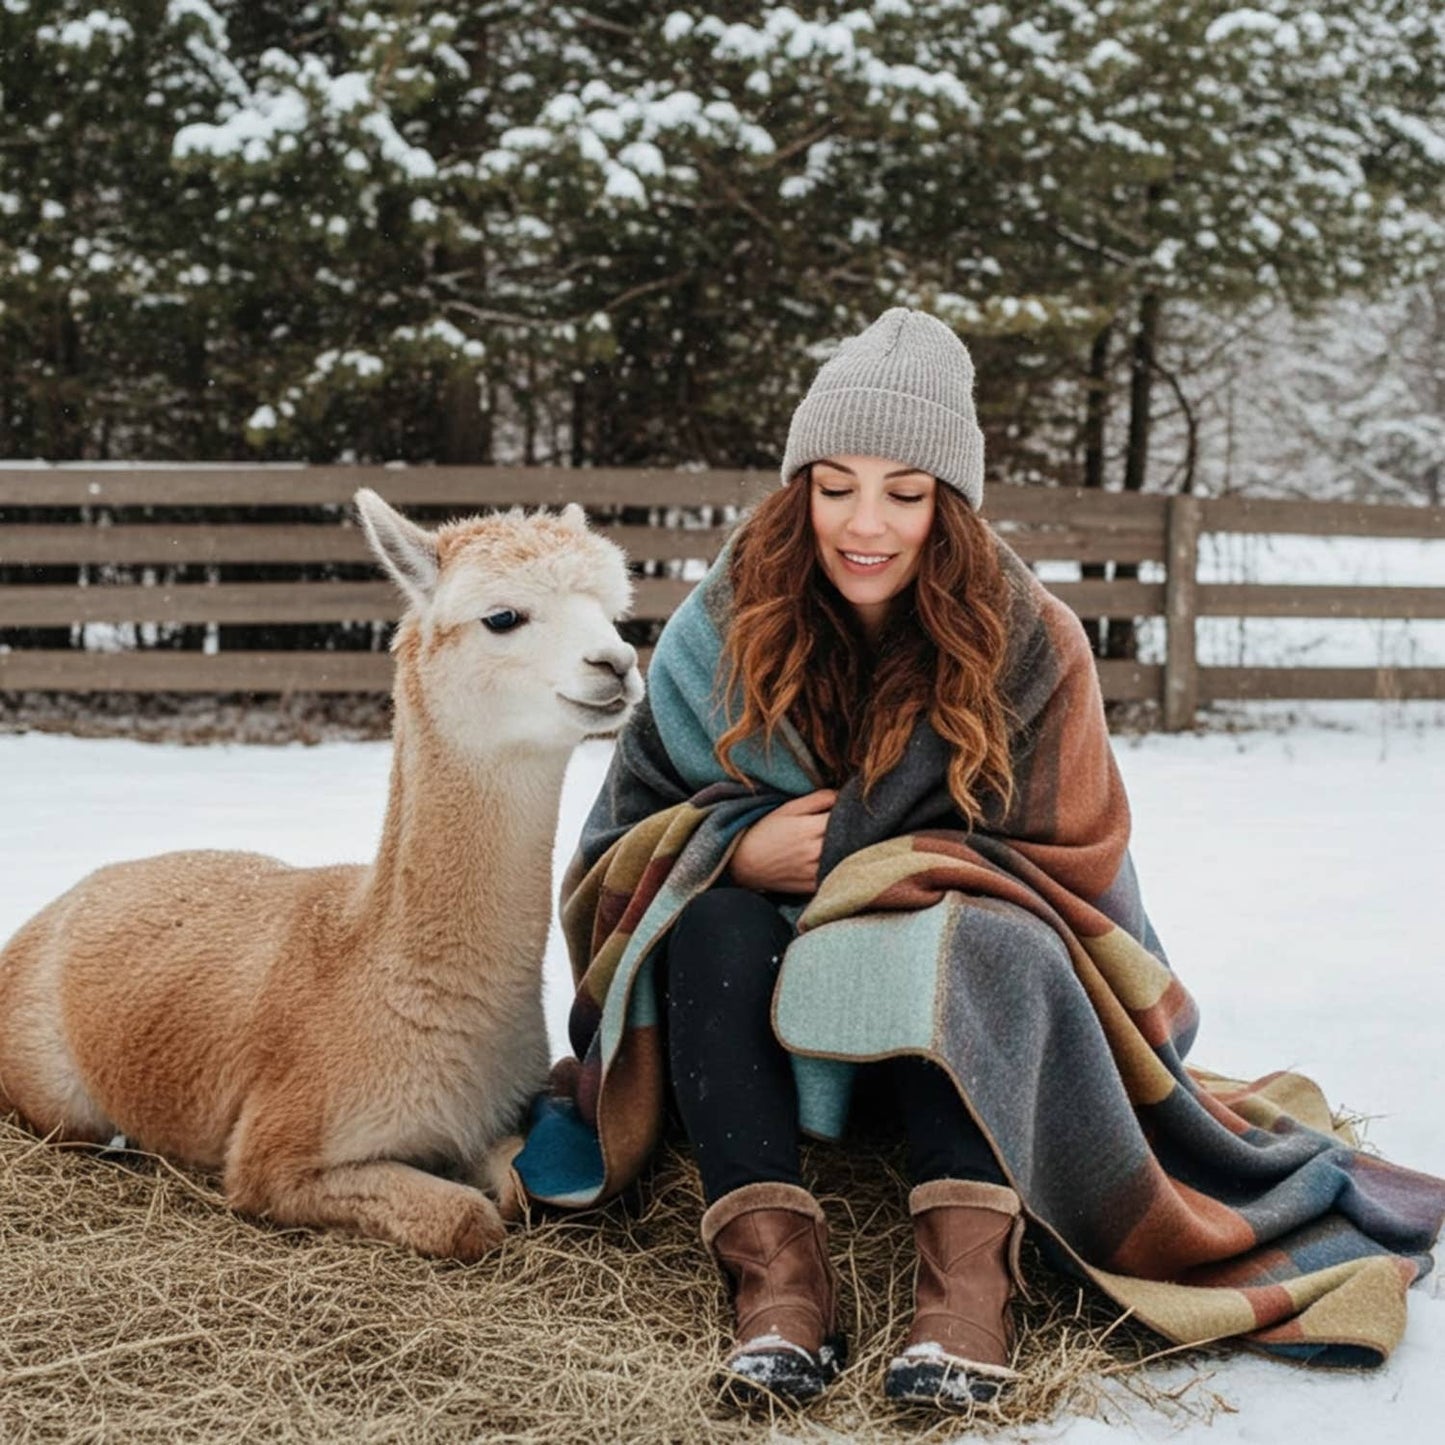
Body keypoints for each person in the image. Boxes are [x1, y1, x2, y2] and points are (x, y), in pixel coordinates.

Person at [514, 309, 1445, 1411]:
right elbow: (615, 848)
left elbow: (1074, 864)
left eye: (904, 493)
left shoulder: (1028, 641)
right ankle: (778, 1289)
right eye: (835, 485)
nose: (865, 523)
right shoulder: (717, 628)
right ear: (797, 484)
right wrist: (730, 846)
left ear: (947, 505)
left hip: (963, 1041)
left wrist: (877, 868)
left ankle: (965, 1292)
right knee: (707, 919)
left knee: (975, 929)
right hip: (755, 1034)